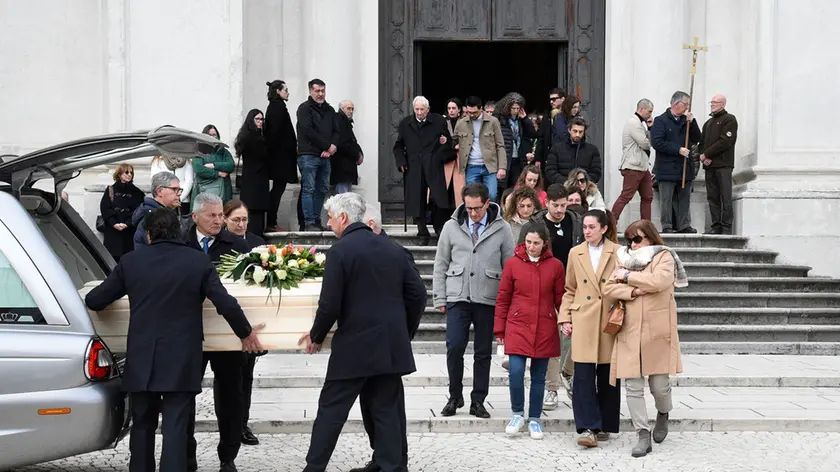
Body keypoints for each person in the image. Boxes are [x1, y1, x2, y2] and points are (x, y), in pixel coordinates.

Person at [84, 208, 263, 472]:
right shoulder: (197, 262)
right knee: (176, 427)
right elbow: (226, 303)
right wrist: (246, 333)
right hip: (181, 357)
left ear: (147, 235)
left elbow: (95, 300)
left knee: (142, 425)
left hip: (142, 356)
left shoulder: (131, 262)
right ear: (178, 233)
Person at [298, 193, 426, 472]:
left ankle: (314, 467)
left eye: (330, 219)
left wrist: (316, 336)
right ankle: (390, 466)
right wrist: (403, 331)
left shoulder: (340, 251)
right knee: (387, 411)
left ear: (343, 218)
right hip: (389, 345)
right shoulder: (394, 249)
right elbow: (417, 295)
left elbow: (329, 303)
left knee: (331, 410)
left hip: (354, 346)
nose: (329, 225)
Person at [604, 219, 686, 457]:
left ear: (650, 237)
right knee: (632, 386)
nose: (633, 244)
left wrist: (628, 277)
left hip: (657, 331)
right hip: (629, 329)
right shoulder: (621, 257)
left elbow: (660, 281)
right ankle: (642, 433)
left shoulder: (664, 257)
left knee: (659, 386)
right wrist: (634, 291)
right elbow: (609, 289)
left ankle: (663, 412)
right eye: (629, 239)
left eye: (637, 239)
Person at [433, 183, 515, 419]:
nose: (472, 213)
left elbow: (509, 266)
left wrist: (506, 302)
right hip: (457, 295)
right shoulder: (451, 226)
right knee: (454, 347)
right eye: (468, 208)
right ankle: (454, 396)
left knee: (483, 352)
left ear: (487, 203)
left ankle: (478, 400)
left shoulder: (502, 228)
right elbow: (441, 263)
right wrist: (439, 296)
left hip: (488, 297)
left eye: (477, 208)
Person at [184, 193, 253, 472]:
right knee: (186, 396)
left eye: (219, 215)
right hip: (189, 332)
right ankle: (187, 457)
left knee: (230, 397)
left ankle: (228, 456)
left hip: (227, 332)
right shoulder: (181, 244)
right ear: (195, 217)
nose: (217, 220)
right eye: (211, 216)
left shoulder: (236, 246)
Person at [351, 202, 415, 472]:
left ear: (371, 227)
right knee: (370, 404)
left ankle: (395, 463)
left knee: (388, 407)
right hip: (367, 342)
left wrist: (404, 331)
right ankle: (380, 458)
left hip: (388, 342)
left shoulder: (397, 253)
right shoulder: (365, 252)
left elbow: (416, 296)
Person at [495, 221, 565, 440]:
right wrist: (500, 329)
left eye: (536, 243)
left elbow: (561, 298)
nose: (531, 246)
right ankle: (517, 414)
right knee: (515, 372)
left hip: (545, 326)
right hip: (517, 325)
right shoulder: (512, 264)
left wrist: (565, 320)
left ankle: (534, 418)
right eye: (528, 242)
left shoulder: (555, 266)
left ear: (544, 243)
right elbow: (503, 297)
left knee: (538, 377)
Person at [558, 209, 621, 448]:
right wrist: (565, 318)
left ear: (604, 228)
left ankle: (605, 424)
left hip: (608, 318)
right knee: (583, 375)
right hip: (583, 317)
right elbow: (570, 289)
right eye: (584, 227)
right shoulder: (576, 252)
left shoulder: (617, 252)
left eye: (592, 227)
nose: (587, 231)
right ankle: (587, 427)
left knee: (607, 375)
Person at [222, 199, 266, 447]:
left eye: (244, 219)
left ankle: (241, 424)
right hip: (225, 319)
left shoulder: (258, 243)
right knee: (228, 380)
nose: (241, 224)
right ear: (226, 219)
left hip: (250, 320)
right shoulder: (220, 244)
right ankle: (229, 425)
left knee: (246, 376)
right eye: (236, 220)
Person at [536, 184, 582, 410]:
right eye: (555, 205)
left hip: (574, 287)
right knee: (554, 340)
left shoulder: (576, 223)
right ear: (547, 203)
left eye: (563, 205)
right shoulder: (537, 225)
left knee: (579, 335)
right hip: (547, 287)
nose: (560, 210)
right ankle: (551, 388)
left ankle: (569, 372)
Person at [393, 95, 455, 237]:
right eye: (417, 109)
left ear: (428, 110)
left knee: (438, 198)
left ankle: (439, 228)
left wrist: (444, 144)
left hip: (433, 165)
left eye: (422, 109)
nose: (419, 112)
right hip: (414, 167)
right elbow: (398, 146)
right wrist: (401, 161)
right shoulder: (405, 123)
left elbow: (447, 141)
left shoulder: (439, 121)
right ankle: (422, 232)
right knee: (417, 199)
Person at [650, 90, 702, 234]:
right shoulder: (661, 120)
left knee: (685, 198)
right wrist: (677, 149)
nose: (687, 107)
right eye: (686, 104)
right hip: (667, 167)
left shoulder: (687, 121)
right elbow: (657, 142)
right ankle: (667, 225)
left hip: (684, 167)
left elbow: (697, 137)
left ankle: (684, 224)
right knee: (666, 199)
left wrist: (693, 122)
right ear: (677, 104)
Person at [297, 78, 339, 231]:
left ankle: (316, 220)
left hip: (326, 156)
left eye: (323, 91)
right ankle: (309, 222)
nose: (320, 94)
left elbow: (337, 130)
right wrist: (327, 146)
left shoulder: (330, 110)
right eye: (317, 91)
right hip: (308, 155)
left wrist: (332, 147)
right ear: (310, 91)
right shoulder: (304, 109)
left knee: (322, 189)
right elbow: (308, 131)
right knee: (308, 189)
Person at [454, 96, 507, 202]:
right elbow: (454, 140)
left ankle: (489, 217)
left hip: (489, 166)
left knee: (491, 195)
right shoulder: (461, 123)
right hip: (471, 166)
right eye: (469, 112)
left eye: (474, 112)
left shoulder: (493, 121)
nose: (471, 115)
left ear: (481, 108)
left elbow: (500, 145)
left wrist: (502, 167)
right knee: (472, 197)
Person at [700, 94, 738, 235]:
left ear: (723, 104)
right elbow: (702, 143)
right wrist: (704, 157)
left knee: (725, 196)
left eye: (715, 102)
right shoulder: (708, 123)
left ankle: (726, 227)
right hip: (710, 166)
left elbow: (725, 142)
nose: (712, 104)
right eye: (712, 102)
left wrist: (707, 154)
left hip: (723, 165)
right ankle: (715, 226)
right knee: (712, 197)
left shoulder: (729, 120)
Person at [612, 99, 655, 223]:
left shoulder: (639, 123)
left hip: (642, 166)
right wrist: (648, 135)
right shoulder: (633, 123)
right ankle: (611, 221)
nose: (650, 115)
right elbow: (645, 144)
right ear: (641, 109)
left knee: (647, 197)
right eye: (649, 111)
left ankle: (646, 225)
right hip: (633, 166)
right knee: (626, 196)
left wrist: (650, 128)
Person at [264, 80, 299, 232]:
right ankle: (271, 223)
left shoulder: (276, 106)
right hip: (280, 158)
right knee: (277, 190)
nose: (288, 92)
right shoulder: (277, 107)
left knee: (278, 190)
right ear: (278, 91)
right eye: (285, 89)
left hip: (280, 157)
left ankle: (272, 222)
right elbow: (276, 133)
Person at [235, 108, 271, 235]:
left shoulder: (247, 136)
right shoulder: (253, 138)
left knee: (256, 215)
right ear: (251, 120)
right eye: (257, 119)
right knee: (255, 218)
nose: (260, 122)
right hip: (255, 181)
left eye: (262, 119)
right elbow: (264, 155)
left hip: (254, 180)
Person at [99, 163, 144, 262]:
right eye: (126, 172)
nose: (129, 175)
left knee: (129, 259)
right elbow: (105, 208)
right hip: (112, 231)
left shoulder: (137, 193)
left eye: (131, 173)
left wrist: (127, 224)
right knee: (112, 260)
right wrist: (114, 223)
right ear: (119, 174)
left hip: (129, 231)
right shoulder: (111, 190)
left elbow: (139, 211)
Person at [494, 92, 538, 191]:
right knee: (502, 187)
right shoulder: (500, 119)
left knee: (516, 187)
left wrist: (525, 118)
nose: (515, 111)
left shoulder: (520, 120)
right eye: (513, 108)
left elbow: (532, 133)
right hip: (505, 157)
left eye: (518, 108)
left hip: (518, 157)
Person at [545, 117, 602, 186]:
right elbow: (550, 171)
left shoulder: (592, 150)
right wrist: (568, 183)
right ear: (569, 130)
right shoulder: (556, 148)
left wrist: (582, 182)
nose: (577, 135)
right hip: (562, 190)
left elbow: (596, 172)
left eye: (580, 132)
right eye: (575, 131)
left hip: (584, 190)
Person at [131, 171, 182, 247]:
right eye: (174, 189)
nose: (179, 193)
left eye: (179, 189)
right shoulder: (151, 218)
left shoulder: (162, 213)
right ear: (160, 191)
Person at [191, 124, 235, 209]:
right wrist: (218, 173)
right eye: (209, 135)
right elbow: (199, 169)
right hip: (204, 192)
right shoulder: (199, 152)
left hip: (224, 193)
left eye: (214, 134)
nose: (212, 137)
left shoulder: (224, 151)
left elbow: (231, 165)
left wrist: (214, 165)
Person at [332, 100, 364, 194]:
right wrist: (357, 155)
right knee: (343, 199)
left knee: (346, 198)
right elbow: (343, 143)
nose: (351, 111)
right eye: (348, 108)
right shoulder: (340, 121)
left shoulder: (345, 122)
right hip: (342, 168)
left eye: (352, 109)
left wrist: (359, 153)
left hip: (345, 168)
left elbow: (352, 142)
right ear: (341, 109)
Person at [444, 97, 467, 209]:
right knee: (447, 188)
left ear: (459, 110)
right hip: (447, 159)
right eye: (449, 108)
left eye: (453, 108)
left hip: (461, 159)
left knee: (459, 189)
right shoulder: (443, 123)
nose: (451, 110)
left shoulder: (465, 123)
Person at [534, 88, 566, 167]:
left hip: (565, 156)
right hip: (549, 155)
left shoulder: (569, 115)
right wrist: (538, 158)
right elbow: (541, 137)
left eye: (554, 99)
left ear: (562, 99)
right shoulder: (547, 116)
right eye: (550, 99)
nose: (551, 102)